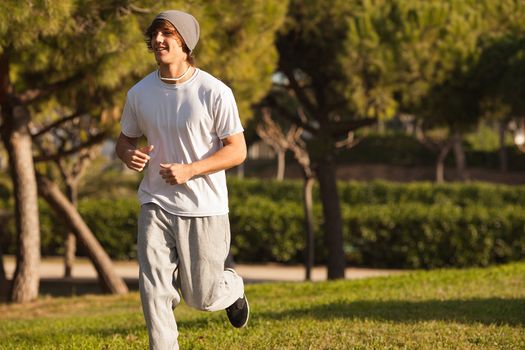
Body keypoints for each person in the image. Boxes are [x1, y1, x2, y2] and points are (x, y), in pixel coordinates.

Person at [115, 10, 249, 350]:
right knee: (154, 289)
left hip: (204, 207)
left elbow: (237, 151)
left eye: (167, 34)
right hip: (155, 202)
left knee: (201, 297)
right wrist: (127, 153)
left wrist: (190, 170)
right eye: (155, 34)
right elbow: (124, 139)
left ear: (186, 42)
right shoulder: (139, 93)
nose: (159, 40)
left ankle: (232, 286)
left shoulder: (214, 92)